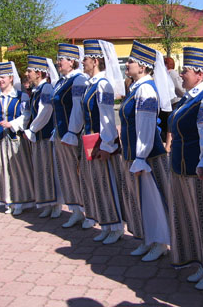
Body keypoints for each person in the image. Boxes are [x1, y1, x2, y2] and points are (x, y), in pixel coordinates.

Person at [166, 47, 203, 290]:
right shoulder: (189, 96)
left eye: (186, 71)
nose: (182, 74)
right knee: (194, 219)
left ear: (200, 74)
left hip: (199, 170)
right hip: (183, 168)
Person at [118, 40, 175, 262]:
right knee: (141, 199)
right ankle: (149, 239)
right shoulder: (136, 88)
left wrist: (141, 156)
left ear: (142, 67)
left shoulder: (146, 91)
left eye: (131, 61)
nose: (127, 64)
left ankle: (160, 242)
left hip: (148, 156)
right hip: (137, 154)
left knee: (153, 199)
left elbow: (146, 125)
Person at [79, 39, 126, 244]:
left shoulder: (103, 85)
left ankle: (115, 226)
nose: (83, 62)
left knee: (108, 183)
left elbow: (107, 118)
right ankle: (106, 224)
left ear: (96, 60)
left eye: (86, 58)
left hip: (101, 141)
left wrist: (107, 145)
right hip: (90, 140)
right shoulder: (90, 85)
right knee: (98, 184)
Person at [0, 61, 34, 215]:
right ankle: (7, 200)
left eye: (4, 77)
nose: (1, 80)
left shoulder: (21, 96)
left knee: (18, 169)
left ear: (11, 78)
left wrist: (12, 124)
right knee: (3, 168)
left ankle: (20, 200)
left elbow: (26, 115)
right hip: (0, 139)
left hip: (16, 139)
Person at [51, 43, 90, 228]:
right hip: (61, 133)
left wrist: (72, 132)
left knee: (78, 173)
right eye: (59, 59)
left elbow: (78, 108)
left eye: (62, 59)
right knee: (67, 173)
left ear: (72, 61)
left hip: (72, 134)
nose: (59, 62)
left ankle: (88, 211)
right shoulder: (61, 81)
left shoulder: (78, 80)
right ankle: (76, 210)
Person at [23, 55, 63, 219]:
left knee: (49, 169)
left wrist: (32, 129)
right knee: (41, 170)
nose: (27, 73)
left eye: (30, 71)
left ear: (39, 73)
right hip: (38, 137)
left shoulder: (46, 89)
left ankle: (55, 203)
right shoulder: (36, 90)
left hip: (45, 136)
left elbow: (45, 112)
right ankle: (47, 202)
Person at [158, 57, 184, 142]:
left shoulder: (168, 73)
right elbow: (179, 87)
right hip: (176, 100)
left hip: (171, 101)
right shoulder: (172, 73)